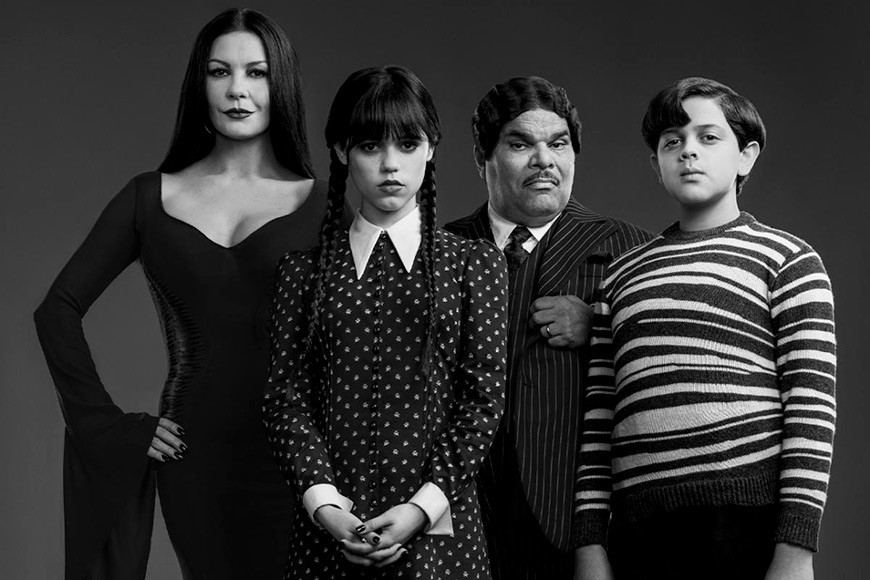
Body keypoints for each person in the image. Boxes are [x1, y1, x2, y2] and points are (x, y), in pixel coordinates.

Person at [33, 9, 325, 579]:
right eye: (219, 72)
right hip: (195, 458)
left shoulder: (324, 204)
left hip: (304, 458)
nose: (237, 90)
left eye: (256, 72)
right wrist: (108, 424)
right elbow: (56, 311)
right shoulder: (148, 198)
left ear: (281, 84)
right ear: (200, 84)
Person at [575, 77, 837, 580]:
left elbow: (811, 410)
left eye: (708, 137)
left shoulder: (787, 260)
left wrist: (796, 548)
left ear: (746, 156)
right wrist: (589, 543)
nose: (688, 151)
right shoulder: (622, 276)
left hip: (747, 524)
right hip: (639, 531)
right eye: (672, 141)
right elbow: (599, 418)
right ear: (656, 165)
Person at [263, 65, 508, 579]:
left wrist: (422, 507)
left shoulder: (475, 264)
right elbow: (285, 401)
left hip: (443, 537)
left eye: (408, 144)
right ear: (341, 151)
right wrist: (327, 508)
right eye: (370, 146)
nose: (390, 164)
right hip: (327, 537)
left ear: (431, 147)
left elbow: (483, 401)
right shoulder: (301, 274)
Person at [444, 76, 653, 579]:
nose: (544, 161)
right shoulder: (441, 250)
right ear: (482, 156)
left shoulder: (631, 249)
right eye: (520, 145)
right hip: (456, 509)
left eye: (558, 144)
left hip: (575, 518)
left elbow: (666, 376)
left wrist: (598, 326)